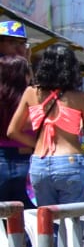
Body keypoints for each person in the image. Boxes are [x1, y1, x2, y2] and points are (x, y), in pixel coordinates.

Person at [6, 43, 84, 207]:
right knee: (73, 225)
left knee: (47, 223)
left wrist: (37, 144)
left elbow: (13, 131)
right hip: (71, 161)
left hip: (39, 162)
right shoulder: (81, 97)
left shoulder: (31, 93)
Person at [0, 22, 33, 204]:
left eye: (23, 43)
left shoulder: (26, 78)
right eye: (14, 43)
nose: (20, 48)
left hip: (26, 159)